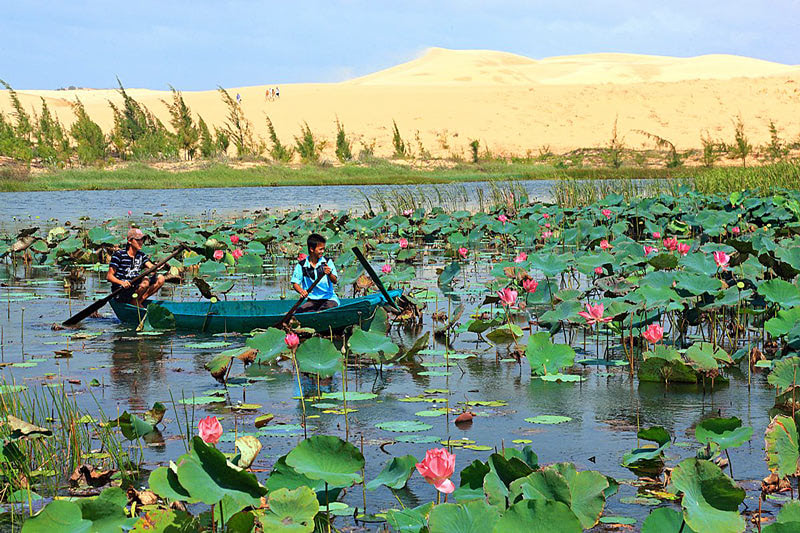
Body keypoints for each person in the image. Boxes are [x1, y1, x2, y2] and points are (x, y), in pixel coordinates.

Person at [107, 228, 165, 307]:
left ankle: (138, 301)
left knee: (161, 278)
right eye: (138, 240)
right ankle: (135, 302)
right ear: (130, 241)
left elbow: (150, 266)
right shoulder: (119, 255)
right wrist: (122, 283)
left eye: (142, 240)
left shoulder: (141, 255)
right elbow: (109, 276)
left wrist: (156, 267)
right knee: (145, 282)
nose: (141, 242)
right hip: (122, 291)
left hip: (135, 288)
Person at [290, 233, 339, 312]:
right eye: (320, 249)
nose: (322, 251)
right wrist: (301, 291)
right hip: (312, 300)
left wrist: (329, 274)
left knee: (325, 309)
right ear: (312, 249)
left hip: (329, 299)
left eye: (323, 249)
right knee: (300, 312)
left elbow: (335, 281)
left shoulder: (327, 262)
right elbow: (295, 283)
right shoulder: (302, 265)